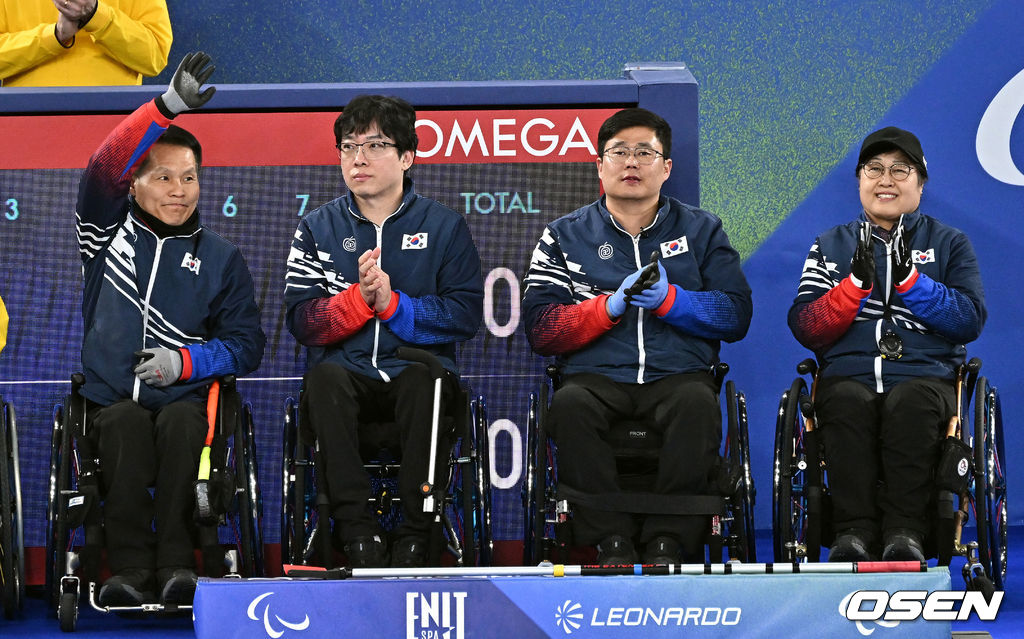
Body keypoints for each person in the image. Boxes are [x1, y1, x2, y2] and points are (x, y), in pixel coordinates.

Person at [522, 107, 753, 565]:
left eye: (645, 153)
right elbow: (542, 328)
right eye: (619, 152)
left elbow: (736, 314)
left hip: (678, 375)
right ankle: (611, 540)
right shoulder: (563, 235)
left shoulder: (703, 230)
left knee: (698, 403)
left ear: (666, 168)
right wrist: (607, 307)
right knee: (569, 405)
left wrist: (672, 302)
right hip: (595, 377)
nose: (631, 162)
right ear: (599, 165)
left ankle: (669, 539)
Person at [75, 52, 265, 606]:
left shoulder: (221, 257)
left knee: (183, 425)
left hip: (187, 401)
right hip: (112, 401)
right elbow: (101, 168)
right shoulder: (104, 235)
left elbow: (247, 346)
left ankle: (180, 565)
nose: (179, 189)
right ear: (134, 185)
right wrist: (167, 106)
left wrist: (184, 363)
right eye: (163, 177)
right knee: (125, 425)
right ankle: (130, 570)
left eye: (189, 177)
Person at [284, 95, 483, 569]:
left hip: (415, 371)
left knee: (429, 381)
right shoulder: (316, 228)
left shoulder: (445, 226)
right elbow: (303, 320)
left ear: (407, 156)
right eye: (348, 146)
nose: (358, 158)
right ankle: (357, 533)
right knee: (325, 379)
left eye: (375, 145)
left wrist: (394, 306)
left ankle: (416, 534)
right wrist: (358, 301)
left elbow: (464, 314)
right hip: (344, 373)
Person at [788, 126, 986, 562]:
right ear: (859, 179)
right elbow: (806, 326)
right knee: (845, 401)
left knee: (911, 402)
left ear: (921, 183)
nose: (886, 180)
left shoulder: (949, 243)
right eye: (874, 169)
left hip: (925, 377)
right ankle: (852, 532)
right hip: (848, 374)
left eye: (900, 170)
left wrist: (913, 283)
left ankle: (906, 531)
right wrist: (853, 288)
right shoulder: (830, 244)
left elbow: (969, 320)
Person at [0, 0, 171, 87]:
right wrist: (55, 35)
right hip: (26, 119)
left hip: (114, 119)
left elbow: (155, 57)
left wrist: (96, 15)